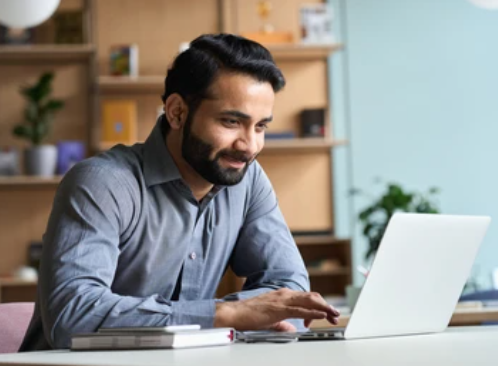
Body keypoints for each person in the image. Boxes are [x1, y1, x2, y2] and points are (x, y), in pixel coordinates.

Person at [20, 33, 340, 351]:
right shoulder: (101, 183)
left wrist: (243, 316)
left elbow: (290, 289)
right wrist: (224, 314)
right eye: (231, 121)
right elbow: (73, 316)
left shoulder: (247, 179)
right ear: (176, 112)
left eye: (260, 127)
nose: (249, 146)